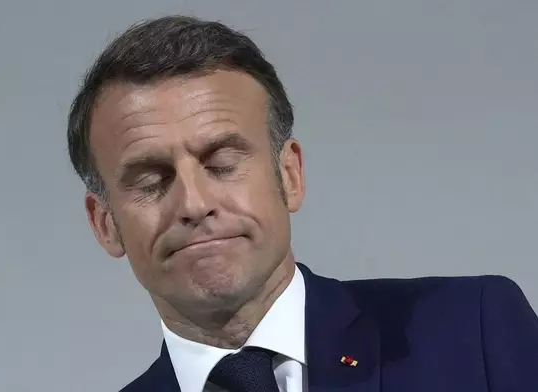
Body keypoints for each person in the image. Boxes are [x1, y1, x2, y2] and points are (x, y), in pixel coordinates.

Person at [66, 15, 538, 392]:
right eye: (151, 181)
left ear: (289, 175)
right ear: (105, 224)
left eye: (223, 163)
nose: (194, 203)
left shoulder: (474, 332)